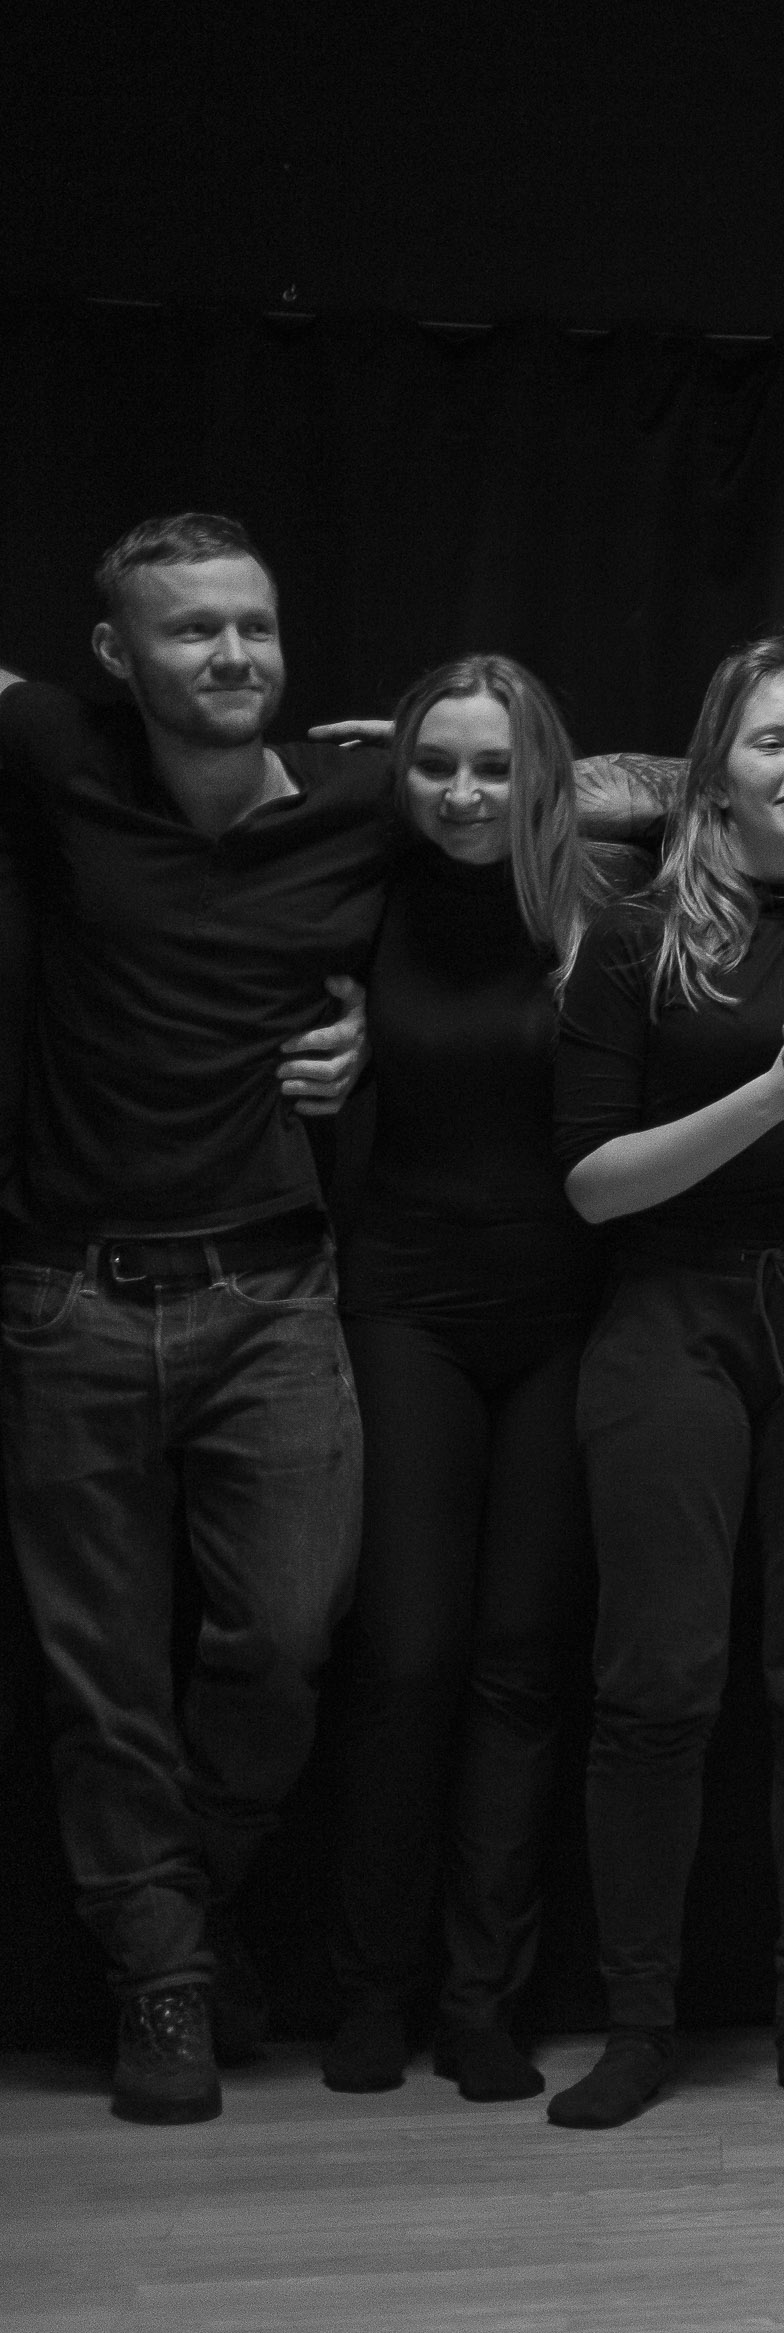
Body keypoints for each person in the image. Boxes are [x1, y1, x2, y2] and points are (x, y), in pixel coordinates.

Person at [0, 512, 378, 2125]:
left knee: (284, 1642)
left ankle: (189, 1903)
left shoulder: (364, 792)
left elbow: (590, 796)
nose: (232, 655)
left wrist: (375, 1026)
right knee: (102, 1687)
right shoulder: (58, 751)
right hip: (68, 1294)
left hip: (271, 1288)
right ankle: (163, 1978)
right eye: (192, 630)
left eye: (253, 625)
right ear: (116, 655)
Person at [545, 636, 784, 2130]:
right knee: (657, 1683)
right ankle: (639, 2026)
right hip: (671, 1314)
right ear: (716, 772)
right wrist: (773, 1095)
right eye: (775, 741)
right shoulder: (635, 941)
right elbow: (593, 1183)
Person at [317, 656, 626, 2104]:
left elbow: (699, 782)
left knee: (522, 1656)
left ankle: (481, 2001)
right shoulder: (362, 892)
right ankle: (370, 1989)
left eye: (494, 766)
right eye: (434, 764)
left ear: (543, 775)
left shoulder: (594, 906)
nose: (460, 793)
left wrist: (564, 773)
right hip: (408, 1308)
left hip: (566, 1312)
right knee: (409, 1653)